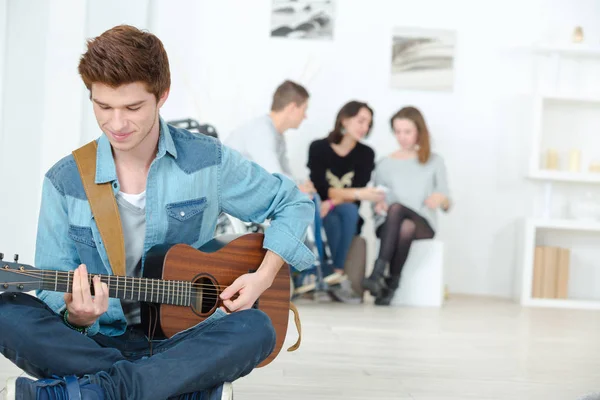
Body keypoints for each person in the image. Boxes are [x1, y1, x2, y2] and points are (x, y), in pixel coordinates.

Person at [0, 25, 315, 400]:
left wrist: (262, 279)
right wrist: (77, 317)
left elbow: (293, 203)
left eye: (133, 108)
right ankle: (177, 389)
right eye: (103, 107)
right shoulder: (65, 180)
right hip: (97, 342)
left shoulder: (208, 161)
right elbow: (56, 287)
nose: (117, 124)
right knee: (6, 312)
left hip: (184, 339)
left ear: (162, 95)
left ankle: (93, 391)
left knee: (257, 328)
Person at [362, 106, 451, 305]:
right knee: (403, 223)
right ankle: (392, 283)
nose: (401, 137)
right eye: (397, 131)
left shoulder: (434, 161)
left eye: (407, 131)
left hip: (423, 223)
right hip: (389, 226)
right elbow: (376, 198)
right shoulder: (384, 163)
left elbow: (447, 202)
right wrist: (378, 207)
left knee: (399, 211)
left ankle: (377, 273)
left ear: (419, 131)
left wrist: (441, 199)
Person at [307, 100, 385, 303]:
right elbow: (321, 187)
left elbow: (355, 190)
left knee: (349, 210)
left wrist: (333, 200)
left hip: (346, 215)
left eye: (368, 123)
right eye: (361, 121)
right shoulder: (318, 148)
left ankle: (335, 273)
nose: (365, 127)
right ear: (344, 119)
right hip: (320, 213)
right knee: (332, 218)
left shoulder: (366, 154)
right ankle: (335, 278)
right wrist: (357, 193)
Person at [225, 80, 315, 195]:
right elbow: (274, 176)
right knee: (304, 200)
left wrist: (302, 184)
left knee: (309, 197)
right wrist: (299, 188)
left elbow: (284, 173)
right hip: (233, 198)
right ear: (292, 108)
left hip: (249, 194)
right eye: (304, 110)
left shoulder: (277, 135)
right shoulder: (261, 130)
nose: (305, 116)